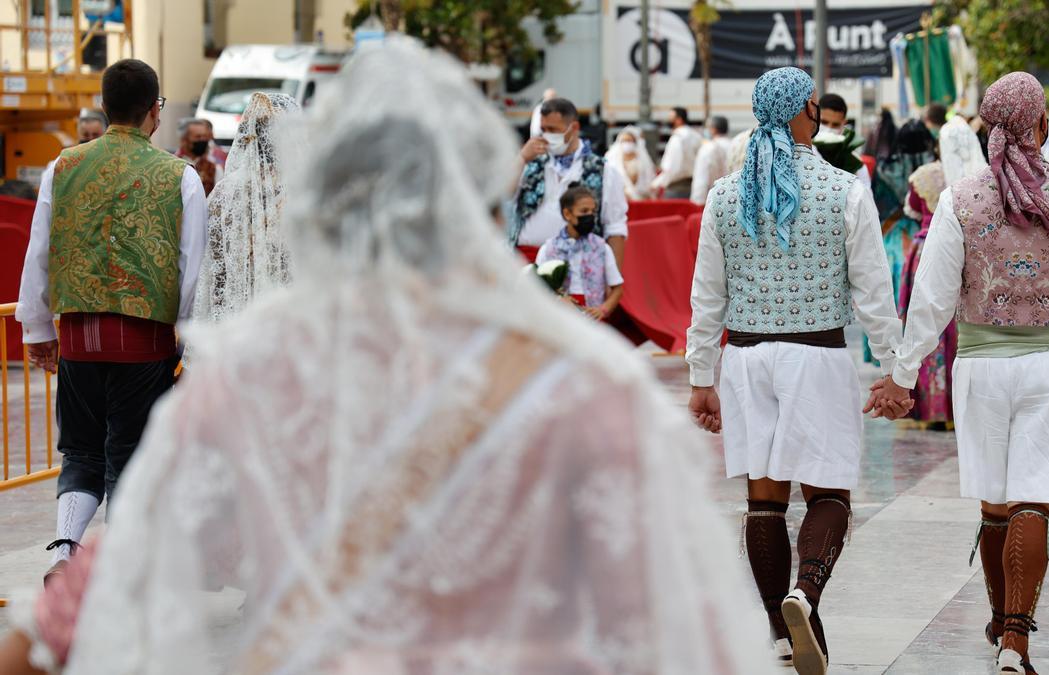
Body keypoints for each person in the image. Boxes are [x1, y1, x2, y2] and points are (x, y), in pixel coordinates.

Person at [3, 37, 777, 675]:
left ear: (328, 207)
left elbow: (61, 625)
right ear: (479, 205)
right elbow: (691, 636)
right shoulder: (589, 391)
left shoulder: (248, 381)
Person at [870, 71, 1049, 675]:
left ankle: (1000, 621)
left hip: (980, 366)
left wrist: (903, 376)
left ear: (987, 124)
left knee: (995, 505)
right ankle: (1015, 641)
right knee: (1035, 503)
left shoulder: (961, 199)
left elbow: (929, 298)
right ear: (1041, 124)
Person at [686, 66, 903, 674]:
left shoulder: (726, 195)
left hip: (746, 357)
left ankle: (780, 635)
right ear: (809, 111)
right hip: (817, 355)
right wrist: (895, 369)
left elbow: (708, 297)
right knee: (829, 490)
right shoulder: (844, 189)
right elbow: (871, 292)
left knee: (764, 500)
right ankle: (804, 595)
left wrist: (702, 375)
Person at [14, 59, 207, 583]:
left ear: (103, 107)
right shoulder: (181, 177)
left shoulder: (62, 166)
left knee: (79, 448)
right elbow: (191, 268)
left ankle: (63, 553)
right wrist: (185, 336)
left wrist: (37, 329)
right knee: (130, 453)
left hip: (78, 337)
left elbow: (40, 254)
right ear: (155, 111)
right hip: (145, 342)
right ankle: (122, 568)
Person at [895, 115, 986, 427]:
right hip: (970, 255)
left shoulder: (924, 176)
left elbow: (911, 207)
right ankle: (959, 406)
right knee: (958, 329)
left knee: (926, 320)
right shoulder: (982, 179)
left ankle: (930, 404)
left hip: (925, 253)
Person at [191, 92, 301, 329]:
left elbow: (215, 269)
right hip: (288, 324)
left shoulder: (224, 193)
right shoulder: (303, 194)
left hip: (235, 323)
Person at [510, 97, 628, 266]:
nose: (546, 136)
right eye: (543, 129)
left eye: (553, 129)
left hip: (579, 266)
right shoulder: (530, 163)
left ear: (574, 128)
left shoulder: (604, 171)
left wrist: (614, 277)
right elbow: (501, 196)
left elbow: (615, 227)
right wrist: (521, 158)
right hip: (526, 262)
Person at [866, 119, 935, 363]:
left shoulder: (885, 168)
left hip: (893, 235)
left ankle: (891, 352)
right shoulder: (935, 168)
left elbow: (877, 204)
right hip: (928, 236)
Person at [535, 184, 624, 320]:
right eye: (584, 211)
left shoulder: (602, 248)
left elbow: (617, 288)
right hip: (559, 318)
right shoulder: (549, 249)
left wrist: (603, 310)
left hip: (592, 319)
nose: (589, 216)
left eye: (592, 211)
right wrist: (558, 300)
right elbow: (537, 287)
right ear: (567, 214)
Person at [817, 93, 871, 187]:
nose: (829, 129)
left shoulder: (853, 162)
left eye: (835, 125)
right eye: (824, 122)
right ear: (815, 118)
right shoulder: (803, 151)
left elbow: (865, 196)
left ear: (844, 124)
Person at [651, 106, 703, 199]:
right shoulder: (696, 136)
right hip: (692, 185)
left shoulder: (677, 138)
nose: (668, 120)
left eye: (671, 118)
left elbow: (672, 167)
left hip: (676, 187)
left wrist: (657, 183)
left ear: (679, 120)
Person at [604, 125, 656, 201]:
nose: (626, 143)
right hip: (619, 200)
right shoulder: (612, 159)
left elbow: (649, 180)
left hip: (641, 200)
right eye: (624, 140)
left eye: (629, 140)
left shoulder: (643, 160)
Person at [690, 115, 733, 204]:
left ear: (713, 129)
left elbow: (701, 179)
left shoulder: (707, 148)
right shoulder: (735, 145)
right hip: (733, 200)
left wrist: (697, 202)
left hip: (713, 201)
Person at [177, 117, 224, 196]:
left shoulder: (215, 169)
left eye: (205, 137)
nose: (202, 140)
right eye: (198, 137)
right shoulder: (172, 165)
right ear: (184, 140)